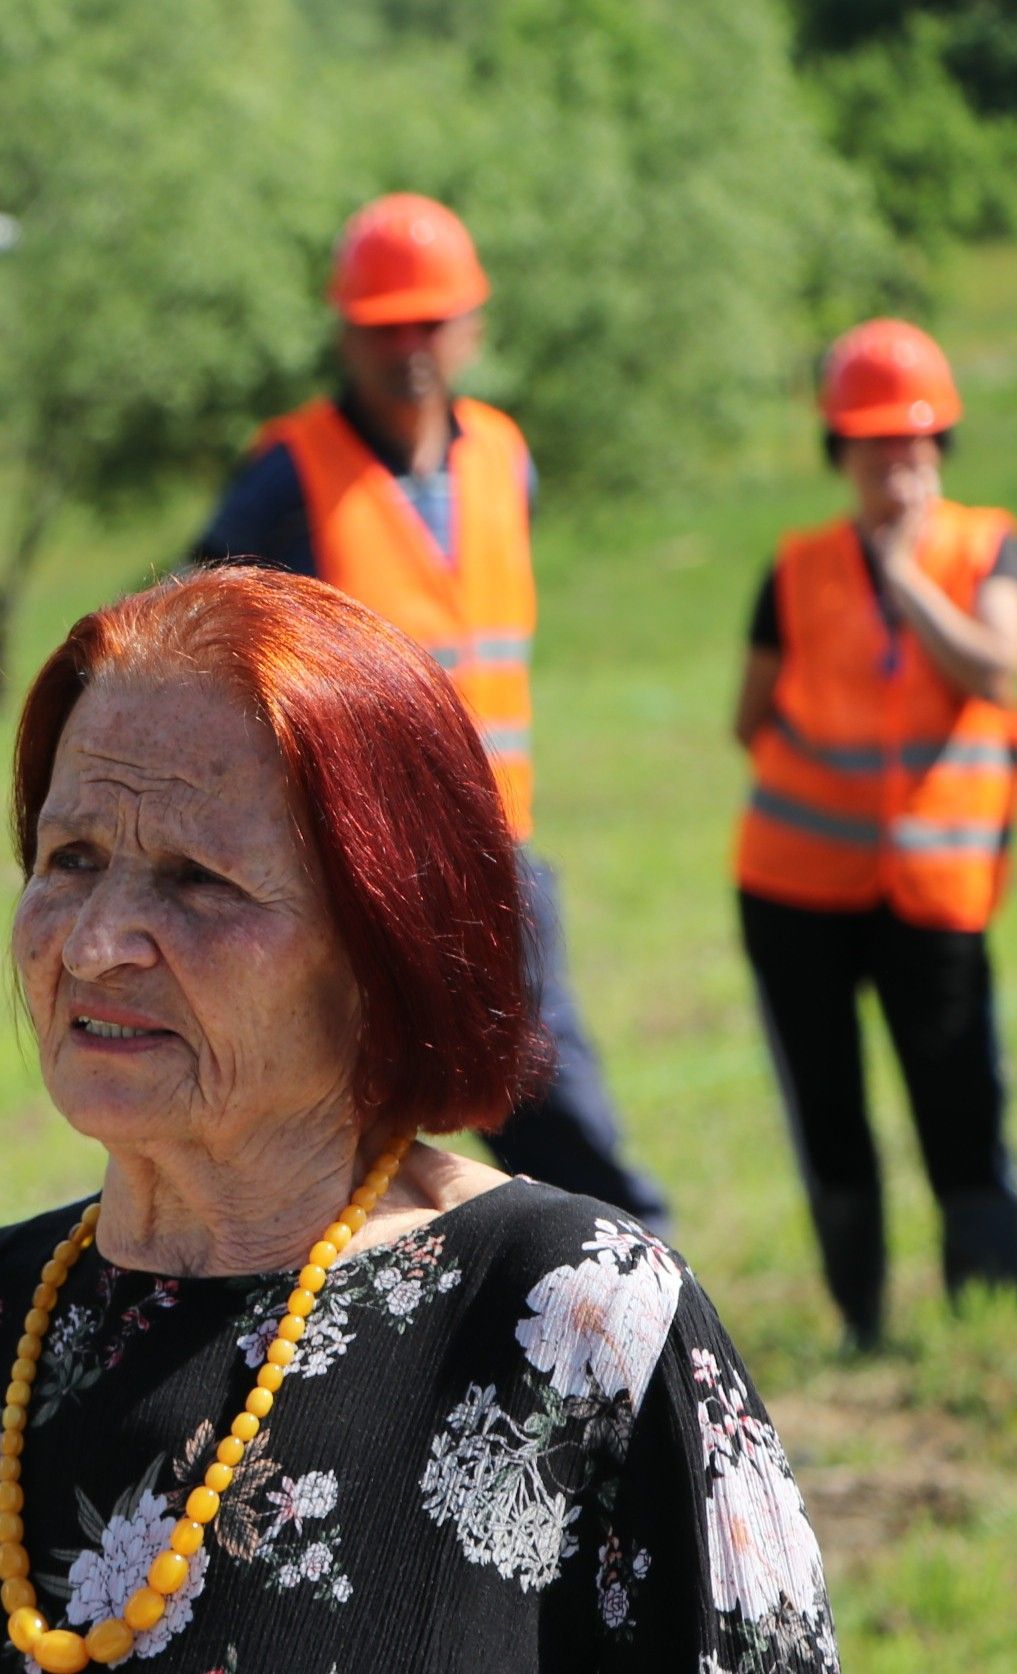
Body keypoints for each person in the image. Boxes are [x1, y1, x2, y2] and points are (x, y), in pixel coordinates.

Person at [0, 569, 834, 1672]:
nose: (98, 942)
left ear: (381, 941)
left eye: (197, 880)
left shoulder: (572, 1323)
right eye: (72, 860)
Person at [185, 193, 667, 1228]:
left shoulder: (505, 456)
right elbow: (197, 627)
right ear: (346, 332)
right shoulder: (288, 476)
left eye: (430, 321)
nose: (410, 346)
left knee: (544, 1087)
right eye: (385, 323)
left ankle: (635, 1275)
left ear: (472, 328)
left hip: (499, 847)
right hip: (358, 861)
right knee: (351, 1104)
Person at [732, 318, 1017, 1352]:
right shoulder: (798, 566)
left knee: (962, 1100)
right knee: (830, 1110)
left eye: (913, 441)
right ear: (839, 451)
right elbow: (750, 714)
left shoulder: (985, 545)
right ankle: (860, 1321)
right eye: (871, 442)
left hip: (936, 892)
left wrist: (903, 577)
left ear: (941, 445)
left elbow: (996, 666)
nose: (895, 462)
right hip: (796, 891)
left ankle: (992, 1313)